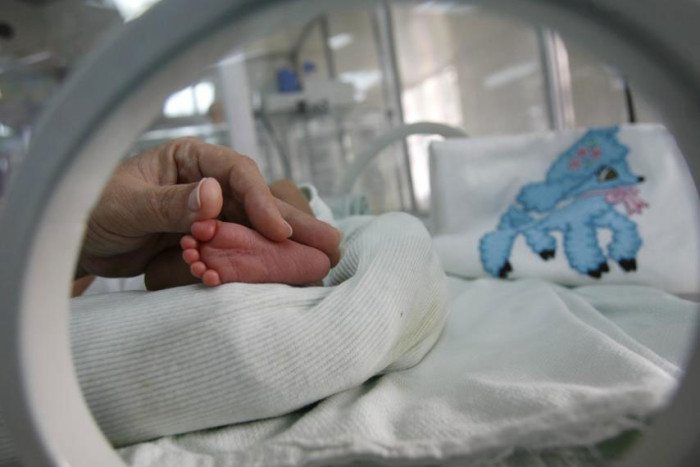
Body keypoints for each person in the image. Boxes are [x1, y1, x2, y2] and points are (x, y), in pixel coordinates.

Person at [74, 138, 342, 294]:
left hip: (105, 273)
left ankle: (289, 257)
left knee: (162, 274)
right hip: (118, 262)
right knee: (283, 193)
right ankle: (298, 261)